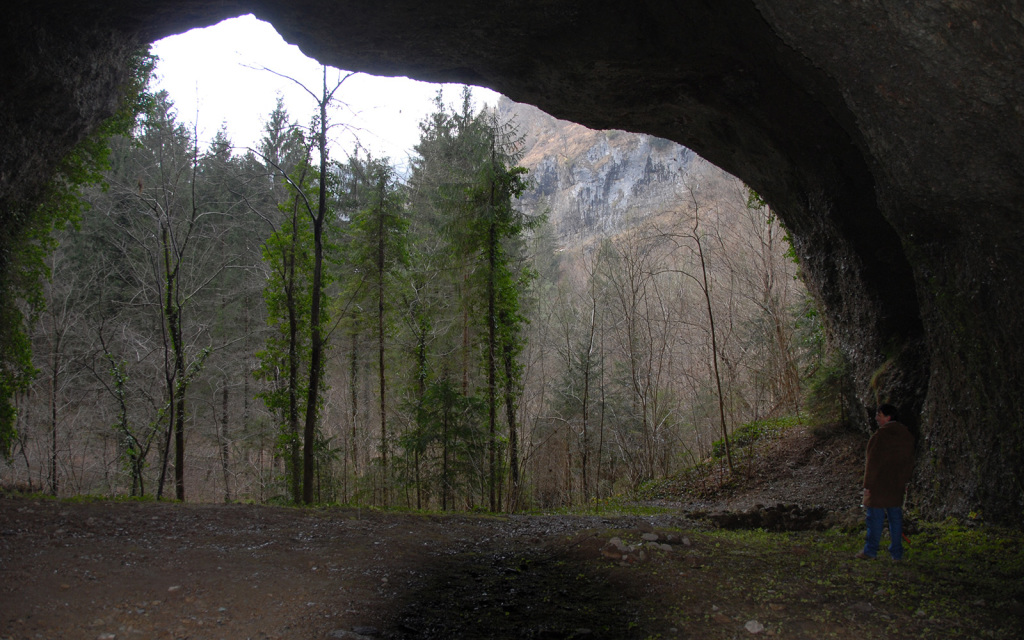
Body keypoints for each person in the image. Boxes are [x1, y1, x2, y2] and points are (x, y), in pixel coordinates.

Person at [856, 403, 915, 561]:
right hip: (896, 485)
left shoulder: (881, 436)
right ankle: (896, 553)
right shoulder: (906, 436)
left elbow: (872, 463)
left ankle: (870, 551)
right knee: (895, 519)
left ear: (888, 417)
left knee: (875, 519)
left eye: (879, 415)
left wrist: (867, 485)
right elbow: (909, 462)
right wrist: (904, 480)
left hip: (879, 486)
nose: (876, 418)